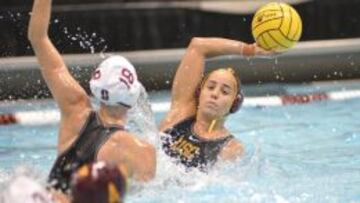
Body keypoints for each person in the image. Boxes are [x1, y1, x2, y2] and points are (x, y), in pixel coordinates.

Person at [28, 0, 156, 199]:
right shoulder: (143, 152)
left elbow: (37, 37)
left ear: (96, 85)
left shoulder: (75, 110)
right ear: (133, 96)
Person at [159, 37, 271, 171]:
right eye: (211, 87)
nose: (215, 94)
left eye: (224, 92)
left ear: (234, 104)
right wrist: (249, 50)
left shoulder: (230, 147)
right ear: (200, 92)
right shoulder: (179, 115)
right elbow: (198, 46)